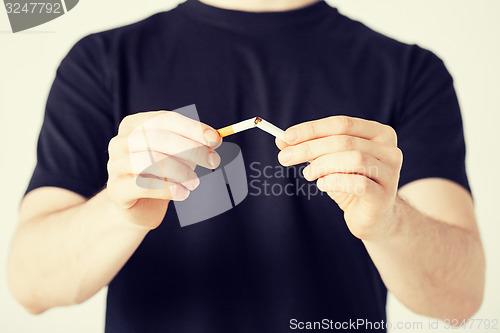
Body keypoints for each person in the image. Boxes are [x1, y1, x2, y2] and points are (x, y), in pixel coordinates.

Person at [7, 0, 485, 332]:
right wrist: (118, 212)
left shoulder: (409, 71)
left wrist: (389, 221)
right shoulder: (103, 62)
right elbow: (31, 285)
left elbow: (460, 300)